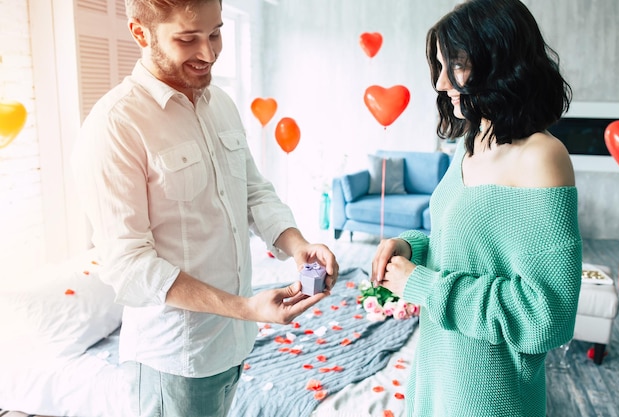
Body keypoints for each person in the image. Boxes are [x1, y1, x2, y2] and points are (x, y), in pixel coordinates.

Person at [71, 0, 338, 416]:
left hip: (232, 343)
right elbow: (129, 267)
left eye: (215, 33)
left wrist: (297, 244)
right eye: (187, 39)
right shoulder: (116, 125)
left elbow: (254, 192)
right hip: (175, 362)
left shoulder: (222, 105)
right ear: (141, 33)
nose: (209, 53)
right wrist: (245, 307)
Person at [370, 0, 582, 416]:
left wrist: (424, 285)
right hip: (436, 371)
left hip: (487, 397)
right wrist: (410, 248)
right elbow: (460, 248)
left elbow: (548, 314)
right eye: (439, 66)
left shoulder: (542, 156)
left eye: (458, 65)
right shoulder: (471, 143)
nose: (442, 82)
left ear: (501, 62)